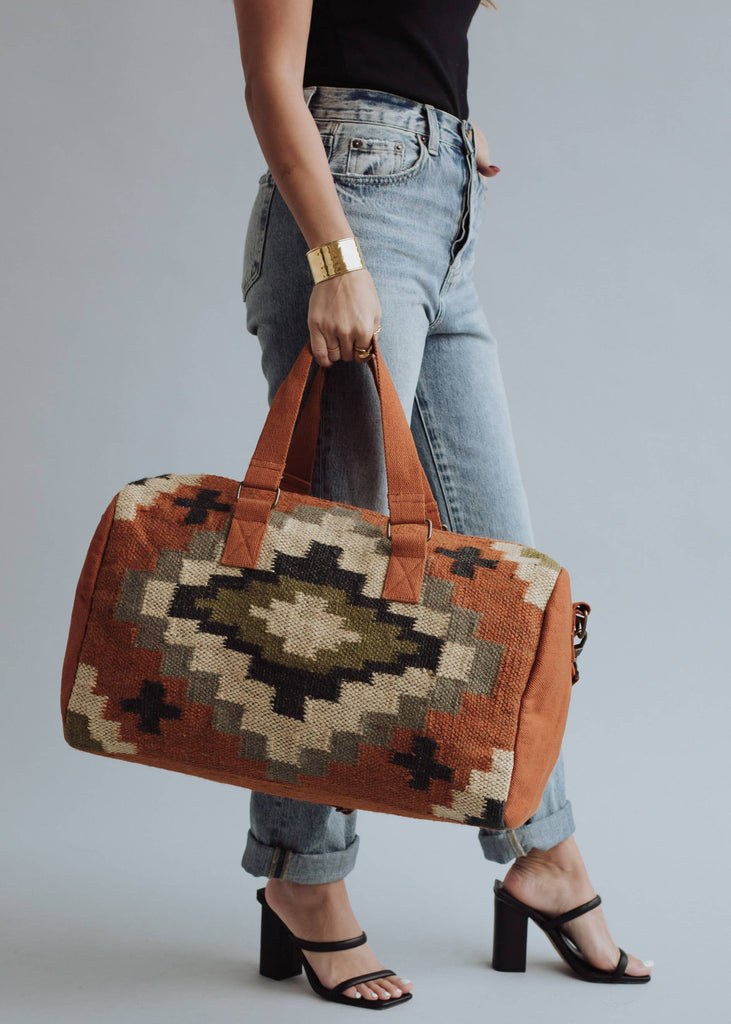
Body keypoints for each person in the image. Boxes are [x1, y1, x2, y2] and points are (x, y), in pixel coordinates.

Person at [230, 0, 654, 1008]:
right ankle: (301, 872)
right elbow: (271, 80)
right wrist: (336, 256)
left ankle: (542, 850)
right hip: (350, 206)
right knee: (328, 581)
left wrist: (442, 133)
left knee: (510, 577)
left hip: (441, 205)